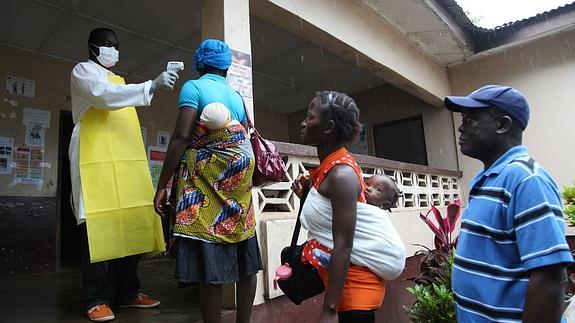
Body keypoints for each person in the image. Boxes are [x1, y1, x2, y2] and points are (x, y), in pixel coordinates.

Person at [69, 27, 178, 322]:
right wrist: (150, 86)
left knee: (128, 224)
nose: (111, 49)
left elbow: (117, 94)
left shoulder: (120, 81)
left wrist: (145, 88)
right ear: (91, 46)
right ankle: (96, 298)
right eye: (106, 44)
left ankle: (128, 293)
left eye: (115, 45)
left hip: (125, 164)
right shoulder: (83, 71)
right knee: (96, 228)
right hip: (94, 162)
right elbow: (102, 96)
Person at [153, 39, 261, 323]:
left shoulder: (194, 87)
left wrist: (162, 184)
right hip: (239, 182)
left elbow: (180, 137)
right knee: (245, 257)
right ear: (226, 66)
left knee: (209, 262)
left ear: (199, 63)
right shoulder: (237, 96)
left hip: (208, 180)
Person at [445, 85, 574, 322]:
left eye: (471, 119)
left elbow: (550, 277)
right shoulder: (490, 179)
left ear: (503, 125)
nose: (461, 127)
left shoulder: (526, 179)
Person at [294, 91, 387, 323]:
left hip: (353, 294)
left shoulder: (341, 175)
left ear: (328, 127)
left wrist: (330, 309)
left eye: (310, 117)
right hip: (342, 288)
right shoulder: (329, 167)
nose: (303, 122)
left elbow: (344, 244)